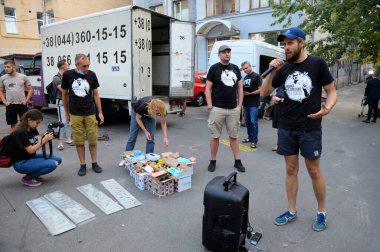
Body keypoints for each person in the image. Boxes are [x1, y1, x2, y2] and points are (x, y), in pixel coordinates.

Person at [261, 27, 337, 231]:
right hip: (287, 127)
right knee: (290, 169)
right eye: (284, 44)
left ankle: (321, 212)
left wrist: (327, 108)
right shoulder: (283, 69)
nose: (286, 48)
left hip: (310, 127)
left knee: (314, 171)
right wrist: (271, 71)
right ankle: (292, 211)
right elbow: (264, 91)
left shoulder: (317, 63)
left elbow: (331, 91)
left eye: (290, 43)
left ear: (302, 43)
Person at [61, 53, 104, 176]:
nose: (86, 68)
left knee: (93, 140)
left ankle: (94, 163)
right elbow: (64, 94)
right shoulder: (68, 75)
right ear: (77, 65)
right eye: (84, 66)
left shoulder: (91, 74)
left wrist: (100, 112)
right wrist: (66, 112)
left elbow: (96, 94)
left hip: (90, 112)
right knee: (79, 141)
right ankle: (82, 165)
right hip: (75, 113)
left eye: (88, 65)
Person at [205, 45, 245, 173]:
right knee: (215, 136)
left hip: (233, 109)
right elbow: (208, 88)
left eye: (228, 52)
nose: (227, 54)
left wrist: (239, 107)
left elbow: (240, 88)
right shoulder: (214, 69)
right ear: (219, 54)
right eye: (224, 52)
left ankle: (237, 161)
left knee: (234, 136)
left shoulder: (235, 68)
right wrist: (210, 106)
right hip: (217, 108)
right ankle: (213, 161)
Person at [8, 109, 62, 187]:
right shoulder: (20, 132)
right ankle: (27, 178)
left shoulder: (32, 128)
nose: (38, 125)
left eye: (39, 123)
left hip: (30, 156)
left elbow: (38, 141)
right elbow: (30, 150)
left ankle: (34, 173)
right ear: (29, 120)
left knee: (58, 159)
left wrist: (46, 137)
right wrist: (43, 140)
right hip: (21, 162)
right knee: (53, 164)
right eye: (37, 122)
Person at [0, 60, 33, 133]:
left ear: (14, 67)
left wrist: (26, 100)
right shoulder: (3, 78)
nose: (6, 68)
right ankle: (13, 142)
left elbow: (30, 89)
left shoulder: (23, 77)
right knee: (13, 125)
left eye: (8, 67)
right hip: (10, 105)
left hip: (22, 104)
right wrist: (4, 101)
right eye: (5, 67)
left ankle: (25, 142)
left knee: (25, 124)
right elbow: (1, 91)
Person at [241, 61, 262, 148]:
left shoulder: (256, 76)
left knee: (254, 122)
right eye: (243, 69)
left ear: (250, 66)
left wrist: (249, 94)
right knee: (247, 122)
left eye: (246, 68)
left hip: (253, 104)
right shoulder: (245, 77)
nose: (245, 70)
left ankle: (254, 141)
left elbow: (260, 90)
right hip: (245, 103)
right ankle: (250, 137)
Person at [53, 59, 73, 150]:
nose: (69, 66)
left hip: (69, 101)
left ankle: (68, 139)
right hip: (61, 101)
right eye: (67, 65)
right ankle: (60, 142)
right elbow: (63, 90)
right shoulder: (57, 77)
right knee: (62, 122)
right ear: (63, 67)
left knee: (68, 121)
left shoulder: (68, 76)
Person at [271, 86, 285, 151]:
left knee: (284, 129)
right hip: (277, 109)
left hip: (285, 110)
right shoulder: (279, 87)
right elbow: (273, 97)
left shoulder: (289, 87)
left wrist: (280, 99)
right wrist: (276, 99)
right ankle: (279, 145)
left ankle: (283, 145)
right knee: (279, 129)